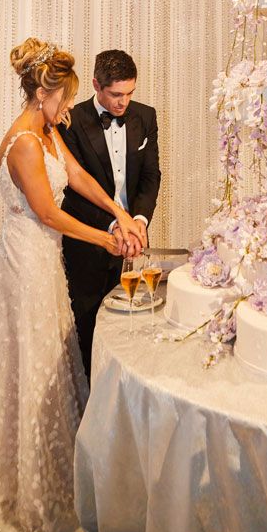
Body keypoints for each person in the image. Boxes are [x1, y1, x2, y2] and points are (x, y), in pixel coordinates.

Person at [0, 39, 145, 532]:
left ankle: (53, 459)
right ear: (43, 94)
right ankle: (26, 483)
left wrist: (117, 212)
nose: (69, 108)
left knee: (52, 355)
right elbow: (48, 213)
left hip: (44, 255)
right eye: (65, 99)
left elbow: (74, 174)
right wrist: (105, 239)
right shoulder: (24, 142)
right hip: (26, 255)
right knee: (29, 360)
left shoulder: (46, 130)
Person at [60, 49, 161, 380]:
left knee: (126, 318)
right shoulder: (71, 120)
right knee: (88, 321)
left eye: (130, 93)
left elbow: (150, 177)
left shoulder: (145, 116)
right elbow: (74, 189)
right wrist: (114, 223)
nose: (123, 103)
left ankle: (122, 393)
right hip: (88, 238)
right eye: (116, 94)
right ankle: (94, 398)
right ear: (96, 85)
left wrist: (141, 221)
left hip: (132, 238)